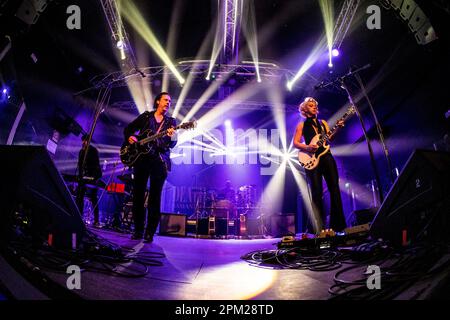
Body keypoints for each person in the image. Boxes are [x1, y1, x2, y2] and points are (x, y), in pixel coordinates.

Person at [124, 92, 177, 242]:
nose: (168, 103)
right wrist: (130, 137)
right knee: (138, 195)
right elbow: (129, 129)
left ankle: (150, 233)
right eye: (165, 100)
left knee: (155, 197)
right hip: (141, 160)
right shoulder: (146, 117)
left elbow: (172, 144)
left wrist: (173, 136)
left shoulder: (171, 122)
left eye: (170, 101)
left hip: (159, 162)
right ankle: (138, 230)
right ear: (158, 101)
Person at [293, 97, 347, 233]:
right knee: (316, 192)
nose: (315, 107)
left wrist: (338, 129)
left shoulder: (323, 123)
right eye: (311, 106)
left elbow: (330, 138)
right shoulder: (301, 126)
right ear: (305, 110)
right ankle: (318, 228)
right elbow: (295, 143)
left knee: (334, 189)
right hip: (312, 159)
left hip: (327, 157)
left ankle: (338, 226)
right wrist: (307, 147)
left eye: (315, 105)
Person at [76, 134, 102, 227]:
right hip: (84, 177)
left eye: (85, 141)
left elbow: (96, 165)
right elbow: (80, 165)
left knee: (93, 198)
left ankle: (96, 220)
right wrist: (80, 176)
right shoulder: (81, 152)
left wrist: (93, 177)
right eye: (82, 141)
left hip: (93, 177)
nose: (83, 142)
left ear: (88, 141)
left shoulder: (93, 150)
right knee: (79, 196)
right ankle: (79, 216)